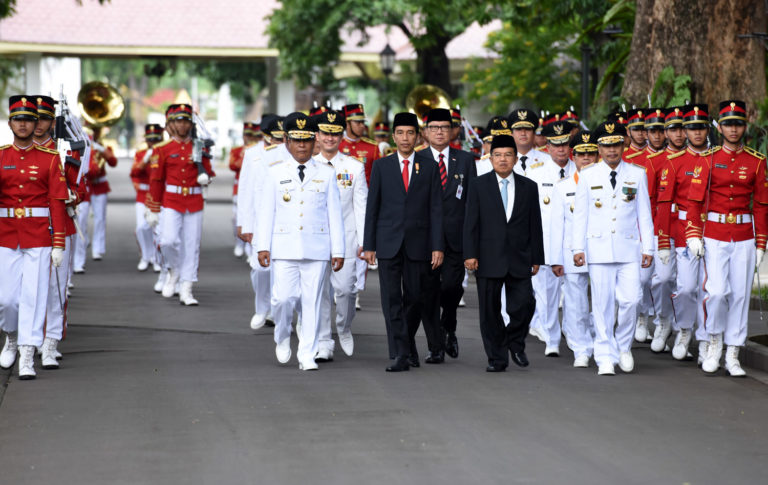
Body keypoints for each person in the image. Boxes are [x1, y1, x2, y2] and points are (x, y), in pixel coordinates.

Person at [256, 112, 345, 371]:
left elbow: (335, 216)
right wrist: (263, 245)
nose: (303, 145)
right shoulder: (275, 173)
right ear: (287, 142)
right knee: (282, 299)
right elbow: (266, 213)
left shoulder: (327, 174)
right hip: (284, 248)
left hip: (317, 248)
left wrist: (337, 249)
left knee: (312, 303)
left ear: (314, 140)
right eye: (297, 140)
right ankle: (282, 336)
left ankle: (307, 353)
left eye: (307, 140)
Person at [685, 100, 768, 377]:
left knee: (741, 296)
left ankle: (733, 353)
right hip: (715, 235)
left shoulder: (756, 161)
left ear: (745, 126)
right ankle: (714, 342)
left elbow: (761, 205)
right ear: (719, 127)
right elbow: (694, 201)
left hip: (744, 235)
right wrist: (693, 234)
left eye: (738, 124)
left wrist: (761, 242)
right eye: (728, 124)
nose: (734, 129)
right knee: (717, 292)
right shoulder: (707, 159)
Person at [363, 112, 444, 372]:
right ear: (394, 136)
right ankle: (399, 352)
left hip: (419, 243)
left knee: (415, 298)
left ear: (418, 136)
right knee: (391, 300)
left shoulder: (429, 166)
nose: (405, 138)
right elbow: (372, 208)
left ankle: (407, 343)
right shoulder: (381, 166)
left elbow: (436, 209)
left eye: (410, 133)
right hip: (388, 242)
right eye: (400, 133)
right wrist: (369, 245)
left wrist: (437, 245)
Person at [573, 121, 654, 376]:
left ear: (624, 145)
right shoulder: (588, 175)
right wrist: (578, 248)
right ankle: (605, 354)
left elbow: (645, 215)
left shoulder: (637, 173)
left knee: (631, 301)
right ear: (599, 147)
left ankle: (623, 346)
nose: (611, 151)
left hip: (629, 248)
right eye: (606, 146)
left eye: (616, 145)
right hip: (598, 249)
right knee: (603, 304)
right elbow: (581, 216)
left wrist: (648, 248)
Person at [0, 95, 68, 379]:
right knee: (7, 300)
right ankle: (11, 336)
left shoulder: (51, 159)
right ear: (11, 123)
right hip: (5, 235)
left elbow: (57, 201)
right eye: (19, 119)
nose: (24, 124)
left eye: (29, 119)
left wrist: (59, 243)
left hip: (39, 235)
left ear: (36, 123)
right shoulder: (1, 155)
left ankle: (26, 356)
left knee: (34, 296)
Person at [463, 134, 544, 372]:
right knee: (489, 311)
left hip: (519, 257)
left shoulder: (529, 187)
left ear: (516, 159)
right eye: (497, 155)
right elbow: (470, 223)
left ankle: (515, 342)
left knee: (525, 304)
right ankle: (497, 357)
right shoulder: (478, 185)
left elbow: (535, 224)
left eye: (508, 155)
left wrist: (537, 257)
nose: (503, 160)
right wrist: (470, 253)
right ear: (490, 158)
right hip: (487, 256)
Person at [418, 108, 477, 363]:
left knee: (452, 287)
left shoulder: (465, 159)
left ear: (453, 131)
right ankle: (435, 346)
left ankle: (448, 323)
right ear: (426, 131)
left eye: (444, 127)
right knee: (428, 292)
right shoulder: (418, 158)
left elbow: (472, 201)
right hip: (425, 238)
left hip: (456, 237)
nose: (439, 131)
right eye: (434, 127)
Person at [656, 104, 711, 362]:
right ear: (685, 131)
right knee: (687, 287)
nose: (696, 133)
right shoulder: (675, 163)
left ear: (708, 129)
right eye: (691, 128)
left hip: (713, 229)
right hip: (682, 232)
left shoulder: (717, 158)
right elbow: (665, 204)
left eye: (701, 127)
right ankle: (684, 330)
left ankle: (705, 341)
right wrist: (664, 240)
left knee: (709, 289)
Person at [145, 103, 215, 306]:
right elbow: (156, 180)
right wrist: (153, 208)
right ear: (171, 124)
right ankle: (173, 269)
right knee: (167, 240)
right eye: (178, 121)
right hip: (171, 200)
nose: (182, 125)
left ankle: (187, 287)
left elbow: (208, 171)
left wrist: (207, 177)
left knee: (191, 245)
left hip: (193, 200)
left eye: (185, 121)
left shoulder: (199, 145)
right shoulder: (163, 149)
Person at [314, 109, 368, 359]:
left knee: (346, 290)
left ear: (341, 135)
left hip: (346, 240)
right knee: (319, 292)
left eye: (335, 134)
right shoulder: (308, 166)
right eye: (325, 133)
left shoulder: (354, 167)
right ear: (317, 135)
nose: (330, 138)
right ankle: (324, 341)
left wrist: (366, 243)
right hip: (314, 240)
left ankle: (344, 327)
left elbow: (361, 207)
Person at [526, 120, 576, 356]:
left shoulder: (581, 172)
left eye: (565, 144)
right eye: (556, 145)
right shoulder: (536, 174)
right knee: (546, 295)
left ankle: (575, 335)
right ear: (547, 146)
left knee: (575, 294)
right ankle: (551, 339)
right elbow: (528, 213)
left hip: (574, 243)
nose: (561, 149)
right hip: (545, 243)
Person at [550, 130, 599, 367]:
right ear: (574, 156)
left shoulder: (608, 181)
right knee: (576, 300)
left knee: (604, 300)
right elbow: (556, 225)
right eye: (581, 154)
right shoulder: (563, 186)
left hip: (601, 249)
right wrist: (555, 259)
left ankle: (601, 342)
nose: (586, 158)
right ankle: (581, 347)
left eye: (591, 153)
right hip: (572, 252)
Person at [238, 114, 284, 329]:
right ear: (265, 136)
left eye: (282, 138)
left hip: (281, 218)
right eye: (275, 138)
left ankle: (275, 312)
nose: (279, 142)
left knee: (279, 268)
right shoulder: (252, 154)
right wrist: (244, 224)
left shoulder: (288, 152)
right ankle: (261, 308)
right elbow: (245, 190)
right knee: (260, 268)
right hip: (257, 219)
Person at [131, 124, 164, 272]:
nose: (152, 143)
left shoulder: (164, 152)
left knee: (158, 229)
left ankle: (157, 258)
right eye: (150, 140)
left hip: (160, 194)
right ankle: (145, 256)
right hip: (143, 195)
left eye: (155, 139)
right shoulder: (141, 154)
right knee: (141, 227)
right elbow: (135, 172)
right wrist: (146, 157)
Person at [84, 125, 118, 261]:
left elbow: (113, 162)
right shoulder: (82, 146)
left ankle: (97, 249)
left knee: (100, 219)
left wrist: (101, 149)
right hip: (86, 186)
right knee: (81, 219)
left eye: (96, 130)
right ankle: (84, 240)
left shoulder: (103, 147)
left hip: (100, 185)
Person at [229, 121, 260, 258]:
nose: (248, 137)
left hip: (253, 186)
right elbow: (233, 165)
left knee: (252, 216)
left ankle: (250, 247)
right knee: (236, 217)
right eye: (246, 134)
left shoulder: (254, 149)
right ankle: (238, 243)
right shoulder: (237, 150)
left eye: (250, 134)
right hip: (239, 187)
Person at [339, 104, 381, 184]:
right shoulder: (337, 145)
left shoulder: (373, 147)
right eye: (358, 122)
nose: (362, 126)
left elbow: (378, 177)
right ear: (347, 124)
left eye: (363, 122)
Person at [508, 108, 552, 177]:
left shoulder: (548, 160)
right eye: (518, 129)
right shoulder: (503, 160)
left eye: (527, 129)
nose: (523, 133)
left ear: (534, 134)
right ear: (511, 135)